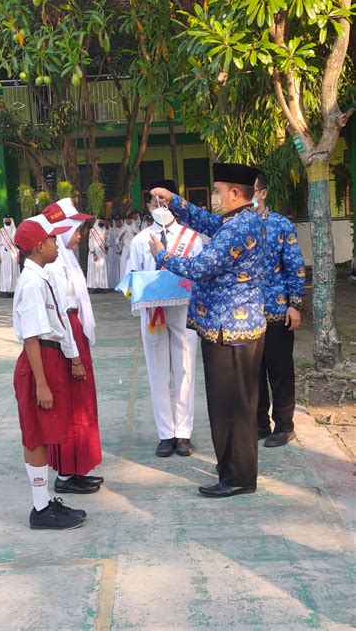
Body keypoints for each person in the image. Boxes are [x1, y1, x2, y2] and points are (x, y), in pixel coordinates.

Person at [150, 162, 266, 498]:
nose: (215, 197)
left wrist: (163, 255)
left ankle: (238, 476)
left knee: (231, 406)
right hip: (238, 328)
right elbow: (208, 222)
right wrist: (174, 200)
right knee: (236, 403)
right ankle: (233, 467)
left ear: (234, 193)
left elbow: (200, 267)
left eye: (218, 191)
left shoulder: (237, 228)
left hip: (228, 331)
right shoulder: (243, 219)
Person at [13, 215, 87, 529]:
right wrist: (42, 384)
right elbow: (31, 335)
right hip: (38, 361)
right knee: (37, 437)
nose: (57, 243)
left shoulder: (38, 276)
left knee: (40, 435)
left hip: (47, 358)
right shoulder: (31, 282)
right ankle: (41, 510)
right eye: (53, 240)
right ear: (39, 245)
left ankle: (43, 505)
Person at [126, 192, 203, 457]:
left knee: (185, 369)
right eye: (153, 202)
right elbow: (131, 279)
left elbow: (201, 274)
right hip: (153, 313)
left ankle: (183, 433)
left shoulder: (192, 239)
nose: (159, 206)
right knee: (157, 372)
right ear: (147, 206)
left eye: (163, 201)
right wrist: (141, 294)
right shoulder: (139, 240)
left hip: (185, 311)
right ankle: (165, 434)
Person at [42, 198, 103, 493]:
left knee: (82, 403)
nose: (80, 236)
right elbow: (60, 313)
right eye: (77, 229)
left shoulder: (66, 259)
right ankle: (66, 473)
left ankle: (76, 468)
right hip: (68, 336)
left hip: (75, 332)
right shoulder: (54, 266)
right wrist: (74, 356)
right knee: (71, 404)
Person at [253, 171, 306, 447]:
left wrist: (295, 304)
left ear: (263, 193)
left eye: (252, 191)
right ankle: (260, 424)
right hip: (248, 316)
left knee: (280, 372)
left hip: (277, 311)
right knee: (254, 374)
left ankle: (284, 426)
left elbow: (295, 266)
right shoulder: (240, 226)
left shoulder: (281, 225)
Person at [0, 214, 20, 297]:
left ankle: (14, 290)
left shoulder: (16, 230)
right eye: (6, 220)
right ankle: (6, 290)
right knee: (5, 270)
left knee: (14, 270)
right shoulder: (1, 231)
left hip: (13, 251)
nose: (7, 221)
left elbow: (18, 244)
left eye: (9, 219)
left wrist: (18, 255)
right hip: (4, 252)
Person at [86, 216, 108, 291]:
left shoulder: (105, 230)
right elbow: (90, 242)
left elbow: (105, 243)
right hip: (94, 253)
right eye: (100, 221)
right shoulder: (92, 231)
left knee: (101, 270)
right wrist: (93, 253)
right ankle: (94, 287)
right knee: (94, 270)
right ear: (97, 221)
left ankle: (102, 287)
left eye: (103, 221)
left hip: (102, 253)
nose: (101, 222)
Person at [118, 212, 139, 278]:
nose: (128, 220)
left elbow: (140, 239)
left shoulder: (136, 228)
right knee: (124, 266)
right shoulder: (123, 229)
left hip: (134, 250)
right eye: (126, 219)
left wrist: (136, 234)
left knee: (133, 266)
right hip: (125, 250)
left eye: (129, 219)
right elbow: (117, 242)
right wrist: (121, 236)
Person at [107, 215, 123, 289]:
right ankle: (116, 285)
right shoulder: (112, 231)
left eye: (119, 222)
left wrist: (122, 250)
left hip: (123, 253)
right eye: (116, 222)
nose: (118, 224)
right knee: (116, 270)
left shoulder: (124, 229)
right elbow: (113, 243)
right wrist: (118, 251)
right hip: (115, 252)